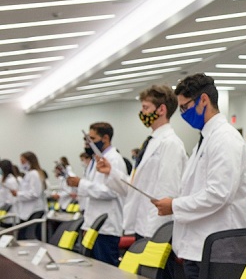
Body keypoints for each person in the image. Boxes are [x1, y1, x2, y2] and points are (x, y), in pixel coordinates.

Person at [152, 73, 246, 279]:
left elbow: (219, 194)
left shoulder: (225, 138)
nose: (183, 114)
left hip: (219, 252)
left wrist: (175, 205)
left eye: (185, 107)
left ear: (203, 100)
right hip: (199, 248)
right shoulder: (205, 140)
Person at [97, 85, 187, 241]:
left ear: (161, 110)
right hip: (142, 225)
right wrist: (111, 172)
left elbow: (167, 191)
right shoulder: (150, 142)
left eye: (146, 108)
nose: (142, 112)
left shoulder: (170, 143)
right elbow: (136, 186)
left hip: (155, 229)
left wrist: (156, 235)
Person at [67, 122, 127, 266]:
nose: (88, 143)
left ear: (105, 138)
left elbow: (112, 191)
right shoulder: (96, 160)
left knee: (106, 270)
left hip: (107, 227)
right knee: (93, 270)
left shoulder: (114, 159)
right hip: (93, 225)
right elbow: (92, 191)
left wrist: (81, 184)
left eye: (92, 139)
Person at [10, 151, 47, 222]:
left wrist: (18, 194)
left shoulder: (34, 174)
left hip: (34, 210)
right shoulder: (28, 174)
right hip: (27, 210)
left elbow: (35, 193)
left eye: (23, 161)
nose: (21, 164)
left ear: (30, 161)